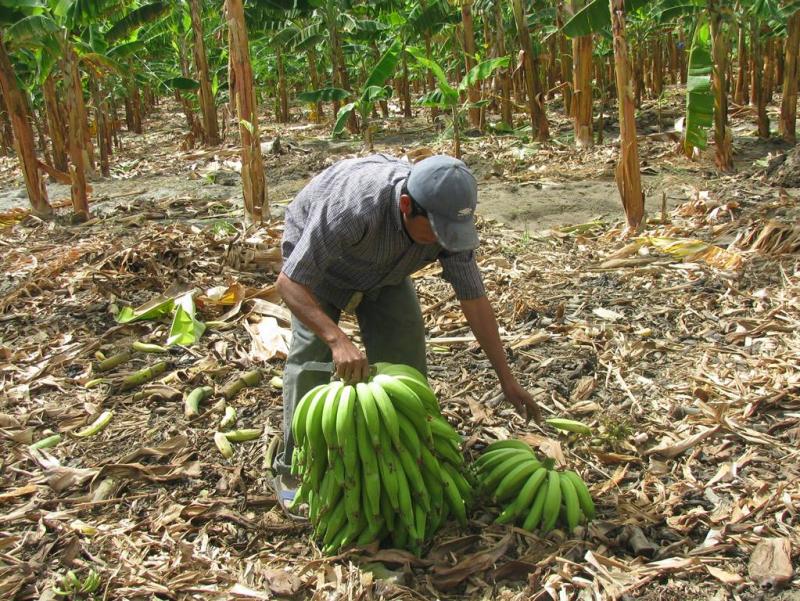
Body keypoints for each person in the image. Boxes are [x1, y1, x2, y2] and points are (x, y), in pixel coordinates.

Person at [272, 153, 541, 514]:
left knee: (407, 369)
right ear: (405, 205)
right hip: (319, 271)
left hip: (387, 272)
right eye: (436, 230)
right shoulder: (353, 208)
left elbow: (474, 300)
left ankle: (404, 462)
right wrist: (337, 339)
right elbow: (289, 283)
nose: (443, 240)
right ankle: (294, 469)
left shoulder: (448, 227)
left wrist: (506, 379)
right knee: (311, 365)